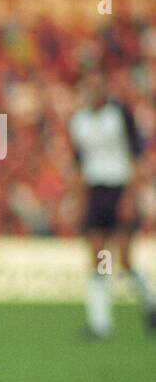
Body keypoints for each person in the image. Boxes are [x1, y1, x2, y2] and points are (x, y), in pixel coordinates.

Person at [68, 72, 154, 338]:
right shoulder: (79, 122)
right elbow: (79, 166)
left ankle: (150, 305)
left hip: (119, 188)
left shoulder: (119, 116)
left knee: (125, 259)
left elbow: (136, 158)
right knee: (99, 258)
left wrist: (130, 197)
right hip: (96, 192)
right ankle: (100, 323)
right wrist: (80, 201)